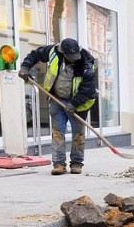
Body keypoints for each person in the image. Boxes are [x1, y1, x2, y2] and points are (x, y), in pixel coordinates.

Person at [18, 39, 97, 175]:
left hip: (78, 103)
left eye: (75, 56)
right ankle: (59, 164)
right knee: (57, 132)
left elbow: (88, 89)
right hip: (56, 99)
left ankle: (76, 163)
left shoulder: (87, 63)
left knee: (78, 135)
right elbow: (35, 55)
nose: (74, 59)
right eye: (71, 57)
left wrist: (74, 104)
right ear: (63, 53)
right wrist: (25, 67)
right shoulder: (53, 52)